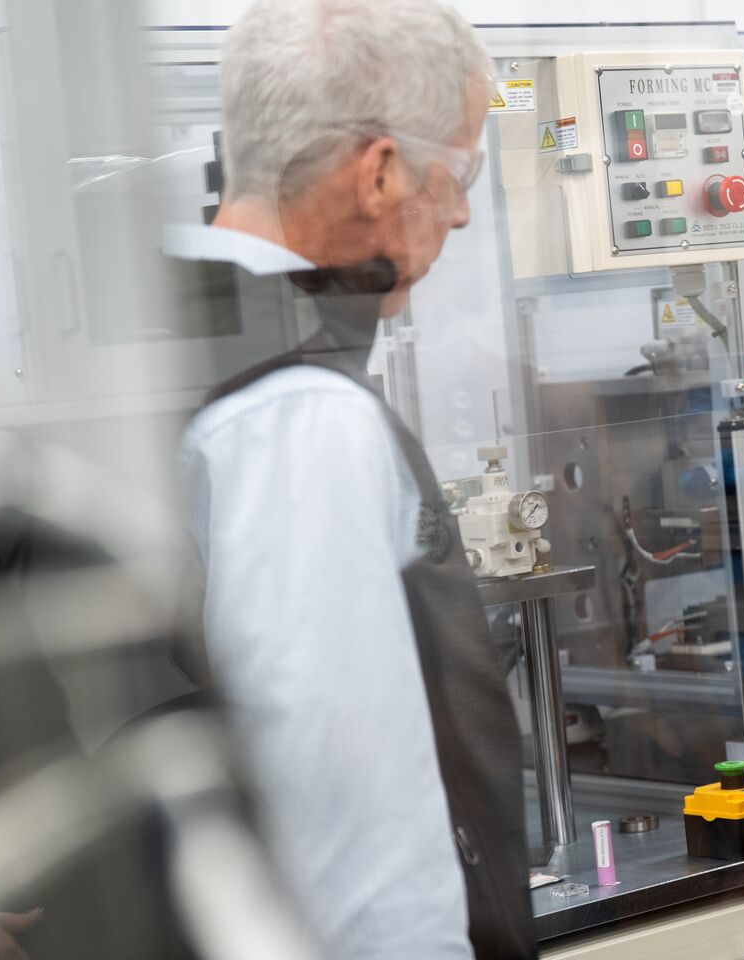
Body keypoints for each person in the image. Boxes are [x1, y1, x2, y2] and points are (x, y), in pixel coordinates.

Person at [168, 2, 536, 957]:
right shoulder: (301, 415)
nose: (459, 211)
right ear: (378, 173)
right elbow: (354, 838)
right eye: (456, 174)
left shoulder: (178, 342)